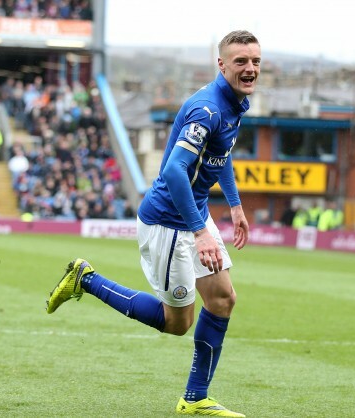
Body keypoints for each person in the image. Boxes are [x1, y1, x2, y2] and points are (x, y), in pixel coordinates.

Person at [45, 30, 261, 417]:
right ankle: (86, 278)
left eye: (255, 62)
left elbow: (220, 153)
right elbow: (175, 172)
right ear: (222, 64)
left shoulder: (234, 105)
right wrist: (199, 233)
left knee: (223, 298)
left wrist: (235, 204)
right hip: (167, 222)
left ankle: (195, 400)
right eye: (241, 61)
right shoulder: (207, 109)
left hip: (193, 213)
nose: (250, 69)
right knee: (176, 323)